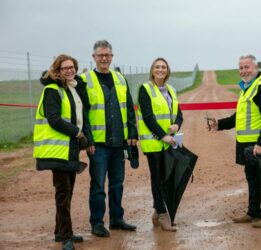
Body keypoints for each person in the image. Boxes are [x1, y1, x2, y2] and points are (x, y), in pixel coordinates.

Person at [208, 54, 261, 228]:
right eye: (241, 68)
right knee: (252, 177)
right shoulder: (247, 88)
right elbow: (241, 117)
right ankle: (253, 212)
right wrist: (219, 124)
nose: (244, 71)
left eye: (247, 67)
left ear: (256, 68)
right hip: (248, 145)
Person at [81, 40, 138, 237]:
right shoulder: (85, 80)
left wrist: (132, 132)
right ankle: (97, 222)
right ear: (94, 57)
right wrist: (87, 140)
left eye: (107, 55)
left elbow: (129, 108)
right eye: (100, 55)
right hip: (98, 145)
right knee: (98, 186)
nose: (104, 58)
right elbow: (83, 113)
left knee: (117, 183)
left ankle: (116, 219)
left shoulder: (120, 79)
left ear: (112, 57)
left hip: (119, 142)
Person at [33, 54, 90, 250]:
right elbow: (54, 119)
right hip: (56, 150)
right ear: (57, 70)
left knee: (67, 192)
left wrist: (80, 136)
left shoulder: (69, 89)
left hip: (68, 150)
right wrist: (78, 134)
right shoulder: (52, 90)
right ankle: (66, 236)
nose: (70, 70)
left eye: (72, 67)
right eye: (65, 68)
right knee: (63, 194)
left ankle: (60, 232)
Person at [137, 57, 183, 231]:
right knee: (158, 179)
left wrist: (177, 124)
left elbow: (179, 114)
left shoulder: (171, 90)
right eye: (157, 67)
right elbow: (148, 118)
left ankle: (158, 212)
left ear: (167, 70)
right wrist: (163, 136)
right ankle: (163, 215)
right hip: (155, 143)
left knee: (168, 177)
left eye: (163, 67)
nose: (160, 69)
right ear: (152, 70)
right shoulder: (145, 89)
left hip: (169, 142)